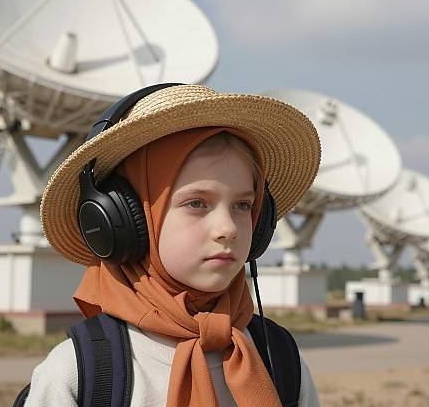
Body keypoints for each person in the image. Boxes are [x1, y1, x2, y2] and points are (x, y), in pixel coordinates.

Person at [24, 83, 322, 407]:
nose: (228, 229)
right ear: (125, 222)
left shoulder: (279, 358)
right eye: (196, 203)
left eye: (243, 206)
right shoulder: (81, 374)